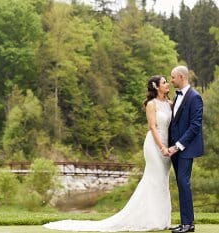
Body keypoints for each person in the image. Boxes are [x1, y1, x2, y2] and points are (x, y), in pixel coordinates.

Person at [44, 75, 172, 232]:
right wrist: (161, 148)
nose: (167, 84)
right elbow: (152, 127)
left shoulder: (169, 104)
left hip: (167, 146)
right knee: (153, 180)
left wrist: (170, 147)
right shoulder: (151, 104)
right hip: (155, 146)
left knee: (163, 182)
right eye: (164, 82)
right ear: (156, 86)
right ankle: (151, 219)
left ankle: (163, 219)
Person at [168, 65, 203, 233]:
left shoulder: (195, 97)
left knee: (183, 183)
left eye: (173, 77)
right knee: (181, 185)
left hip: (185, 148)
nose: (171, 80)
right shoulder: (177, 97)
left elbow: (195, 126)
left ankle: (188, 224)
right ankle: (185, 223)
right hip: (175, 149)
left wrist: (177, 146)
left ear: (181, 77)